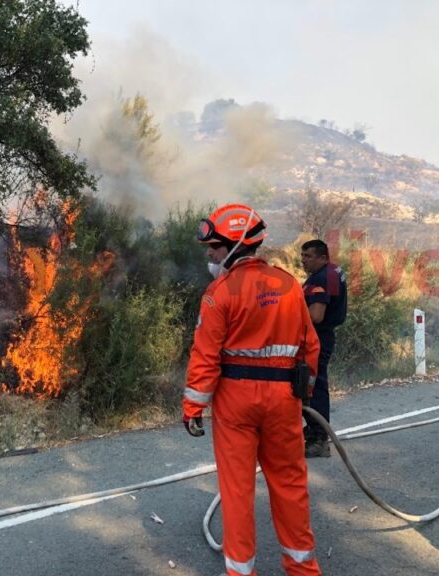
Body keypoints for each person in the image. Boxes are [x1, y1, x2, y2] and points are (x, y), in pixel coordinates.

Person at [183, 203, 323, 576]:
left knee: (237, 492)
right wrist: (304, 391)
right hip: (284, 402)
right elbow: (311, 347)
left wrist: (193, 406)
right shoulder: (290, 285)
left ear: (235, 245)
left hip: (235, 403)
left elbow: (205, 354)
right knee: (291, 485)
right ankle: (303, 570)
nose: (210, 254)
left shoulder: (219, 292)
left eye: (214, 246)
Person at [300, 239, 348, 458]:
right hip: (323, 337)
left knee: (313, 386)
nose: (303, 260)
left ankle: (318, 439)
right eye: (302, 256)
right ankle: (313, 431)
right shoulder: (332, 271)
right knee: (312, 384)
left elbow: (316, 316)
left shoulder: (320, 279)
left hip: (316, 339)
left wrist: (289, 312)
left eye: (308, 256)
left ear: (322, 257)